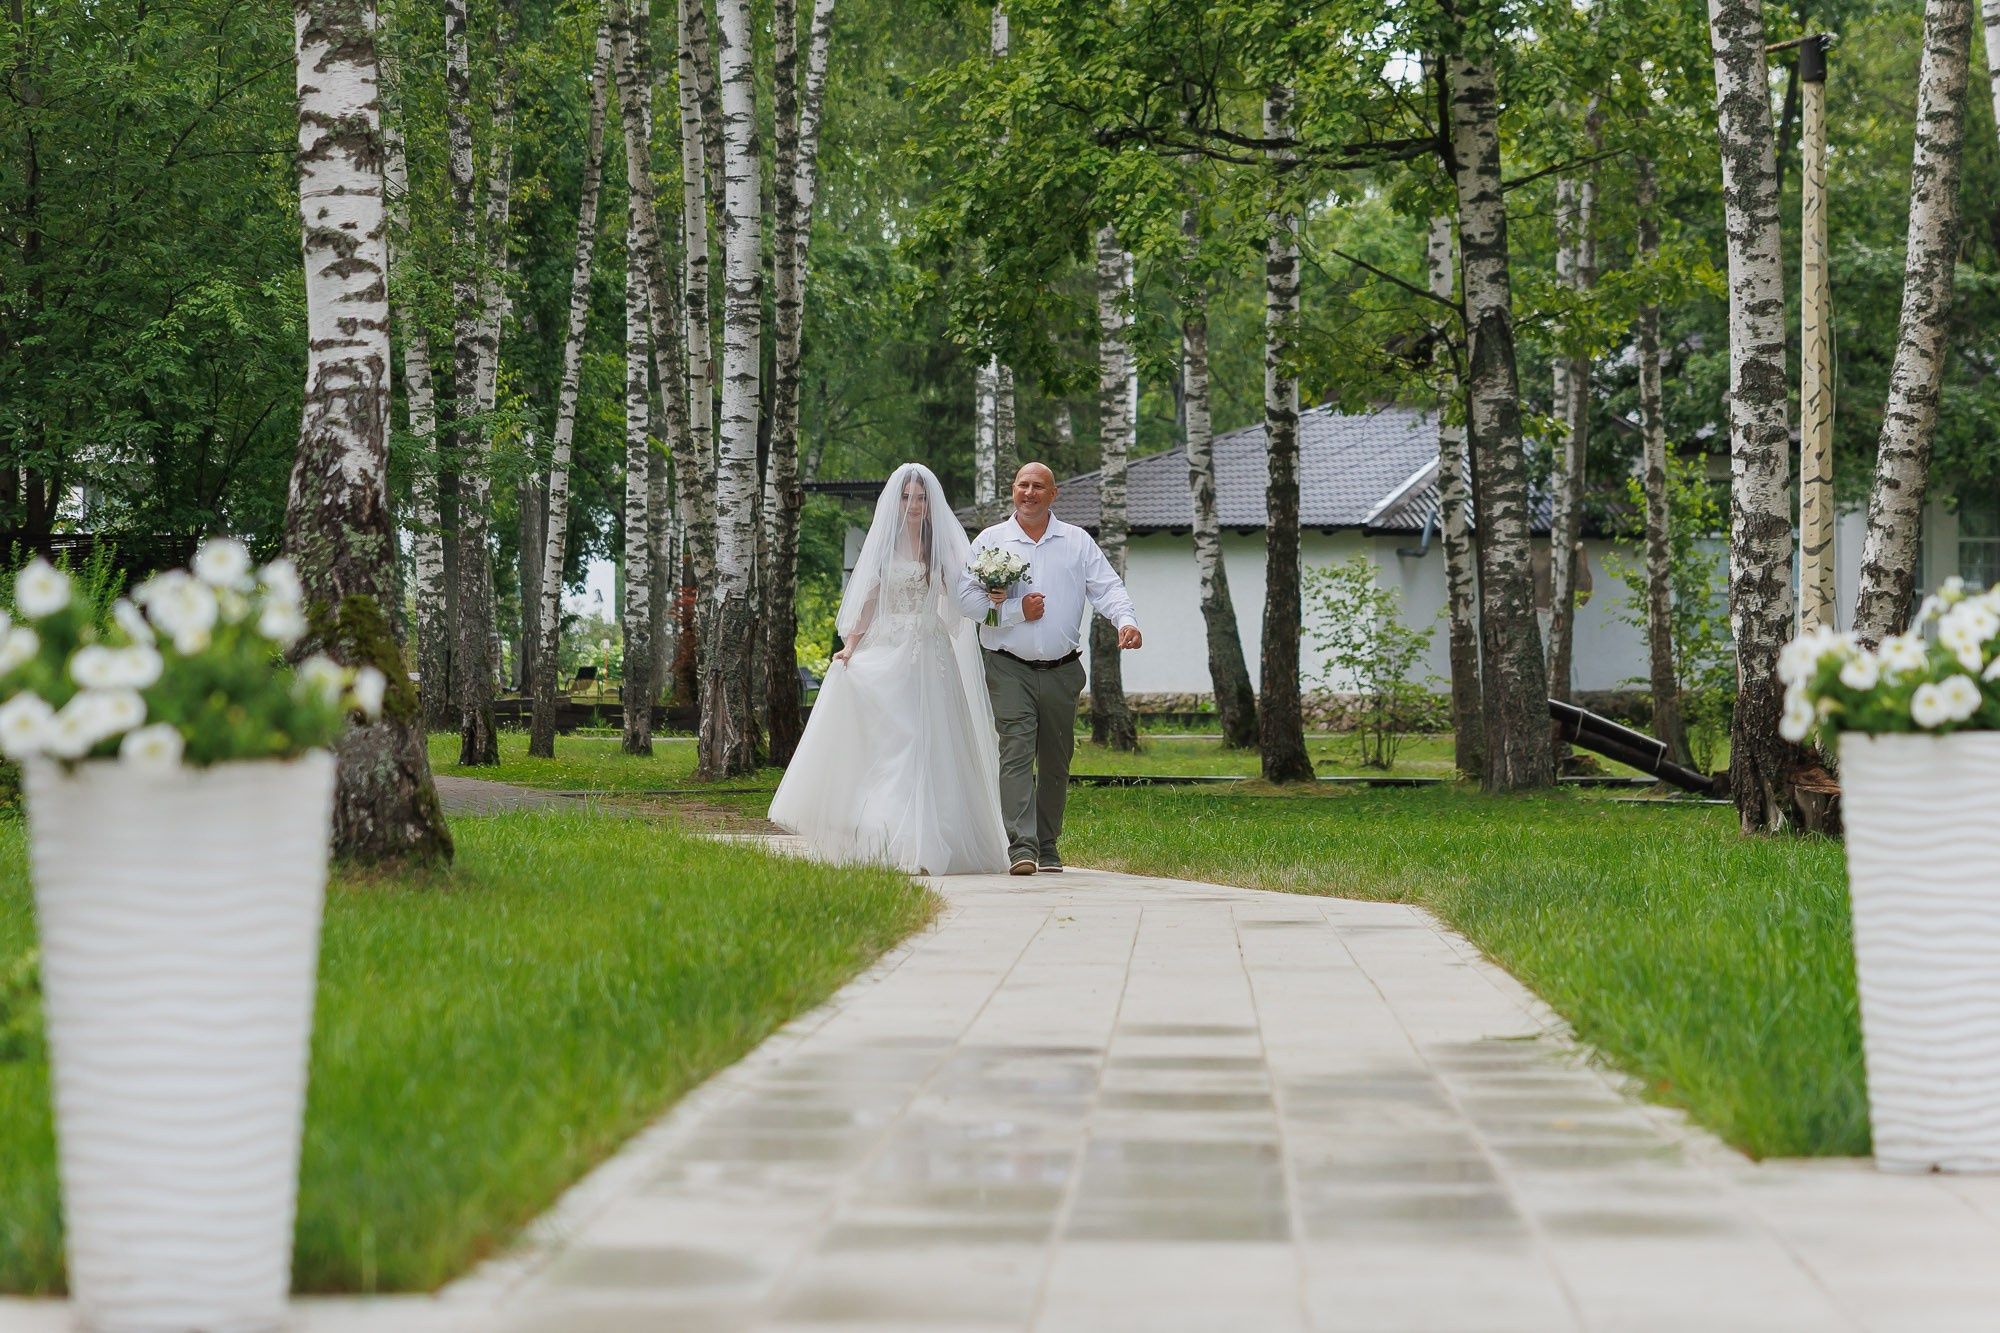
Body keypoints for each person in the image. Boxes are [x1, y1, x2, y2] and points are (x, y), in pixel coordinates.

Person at [769, 464, 1009, 874]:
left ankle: (933, 840)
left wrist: (992, 597)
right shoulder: (882, 545)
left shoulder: (942, 547)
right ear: (895, 502)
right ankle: (885, 834)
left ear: (930, 503)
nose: (914, 505)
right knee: (896, 741)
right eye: (906, 497)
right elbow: (868, 600)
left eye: (920, 498)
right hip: (891, 647)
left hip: (931, 653)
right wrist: (850, 646)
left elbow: (961, 597)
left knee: (930, 740)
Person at [958, 462, 1141, 876]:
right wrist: (1011, 612)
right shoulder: (991, 541)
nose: (1029, 492)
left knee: (1057, 760)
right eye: (1023, 485)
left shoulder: (1076, 542)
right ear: (1013, 491)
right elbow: (965, 601)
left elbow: (1108, 588)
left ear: (1053, 494)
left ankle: (1048, 843)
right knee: (1016, 752)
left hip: (1062, 670)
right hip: (1008, 668)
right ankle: (1022, 847)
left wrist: (1125, 621)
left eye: (1038, 486)